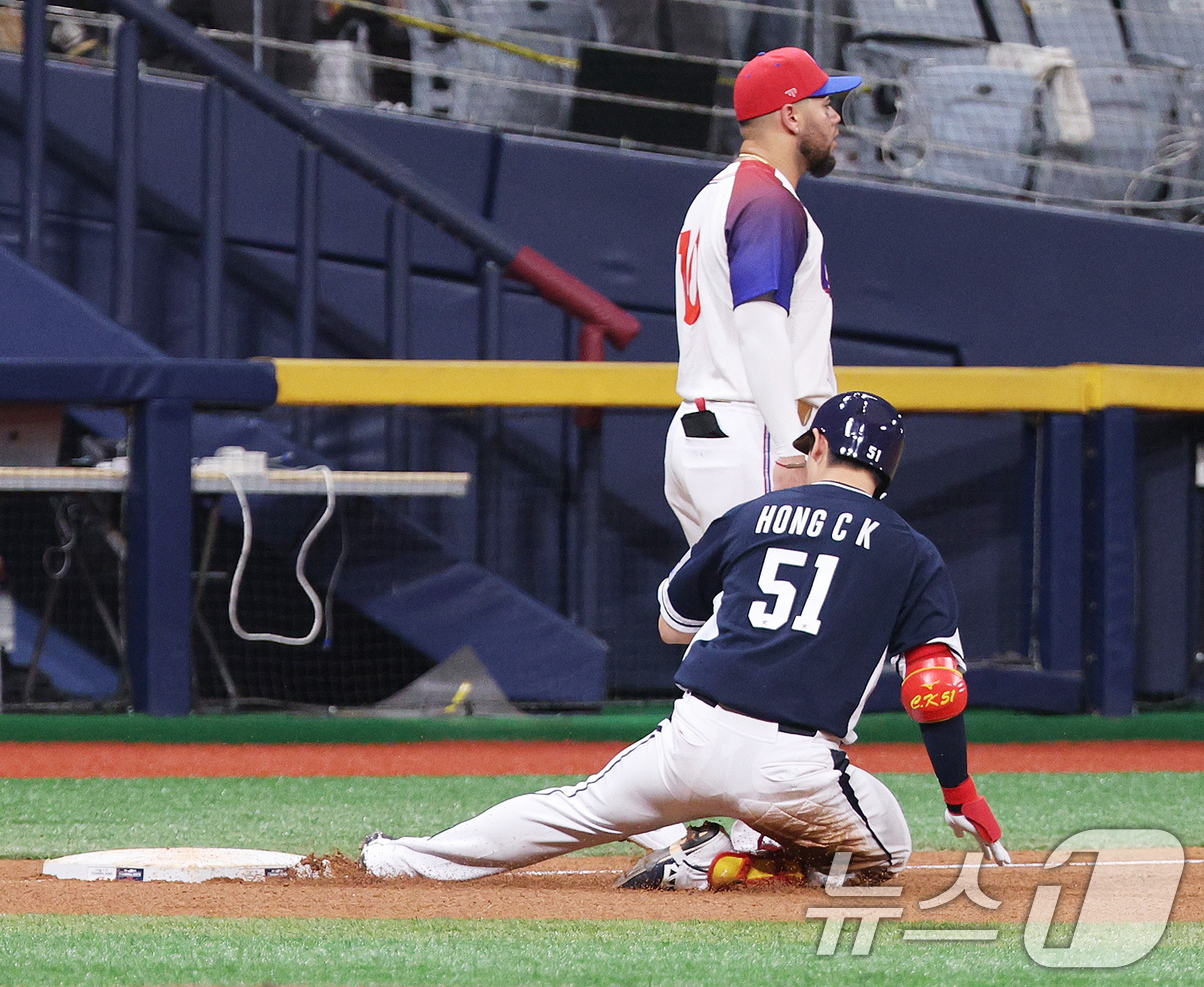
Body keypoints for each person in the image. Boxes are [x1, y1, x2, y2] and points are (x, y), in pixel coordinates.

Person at [360, 393, 1010, 888]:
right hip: (794, 769)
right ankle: (724, 863)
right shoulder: (911, 550)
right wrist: (960, 794)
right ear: (888, 471)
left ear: (815, 446)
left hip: (693, 735)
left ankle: (397, 859)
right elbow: (934, 685)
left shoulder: (751, 514)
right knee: (885, 852)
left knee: (574, 810)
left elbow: (673, 621)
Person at [666, 47, 859, 547]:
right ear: (791, 115)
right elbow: (758, 322)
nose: (836, 116)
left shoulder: (717, 192)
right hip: (753, 432)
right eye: (825, 103)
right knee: (776, 618)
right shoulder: (768, 200)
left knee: (722, 618)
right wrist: (791, 446)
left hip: (703, 430)